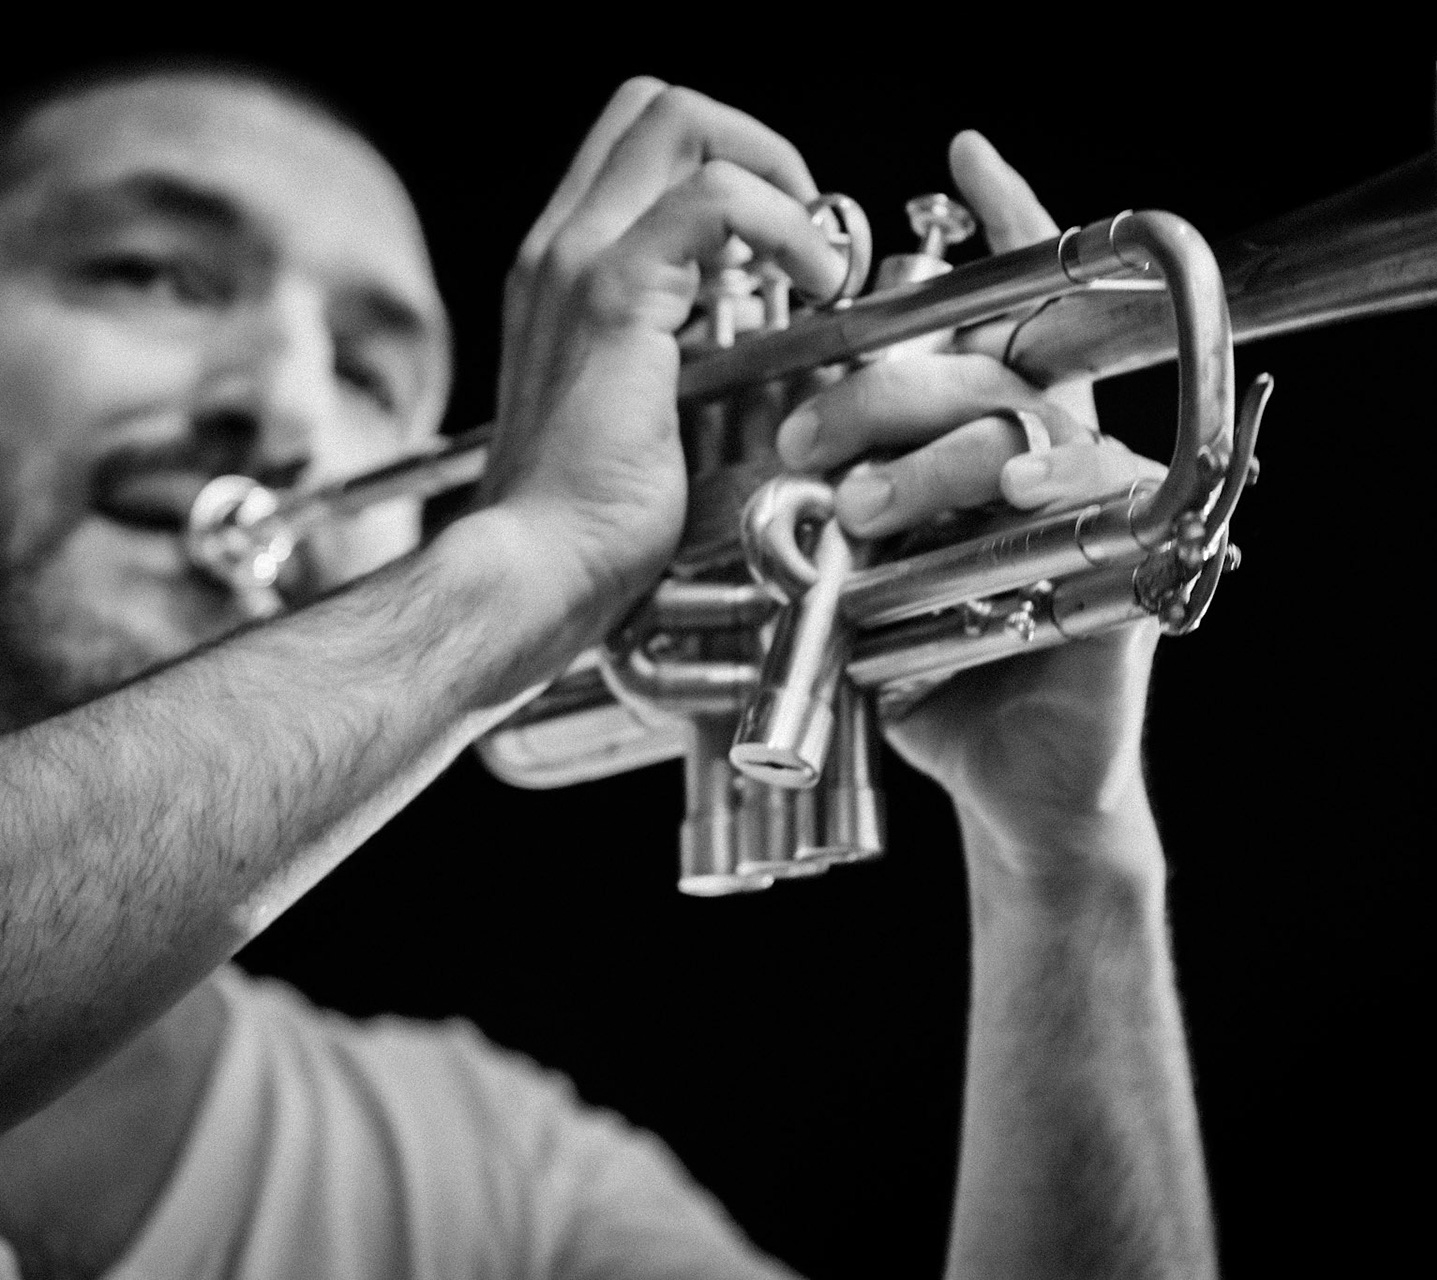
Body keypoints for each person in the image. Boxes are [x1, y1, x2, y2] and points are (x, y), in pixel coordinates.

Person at [0, 63, 1213, 1279]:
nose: (284, 407)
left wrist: (1066, 863)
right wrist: (523, 568)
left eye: (372, 374)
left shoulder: (497, 1191)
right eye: (152, 274)